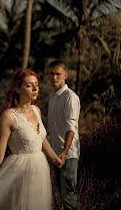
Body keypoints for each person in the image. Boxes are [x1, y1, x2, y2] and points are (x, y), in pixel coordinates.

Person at [0, 68, 64, 210]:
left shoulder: (36, 110)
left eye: (36, 84)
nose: (35, 89)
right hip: (20, 172)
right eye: (29, 85)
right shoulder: (9, 116)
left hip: (40, 172)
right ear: (17, 89)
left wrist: (55, 158)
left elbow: (40, 138)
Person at [48, 60, 81, 210]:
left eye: (58, 74)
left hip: (67, 154)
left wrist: (65, 151)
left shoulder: (70, 97)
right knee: (62, 195)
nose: (54, 77)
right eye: (52, 74)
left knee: (68, 196)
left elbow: (71, 127)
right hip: (56, 154)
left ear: (65, 75)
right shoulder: (53, 97)